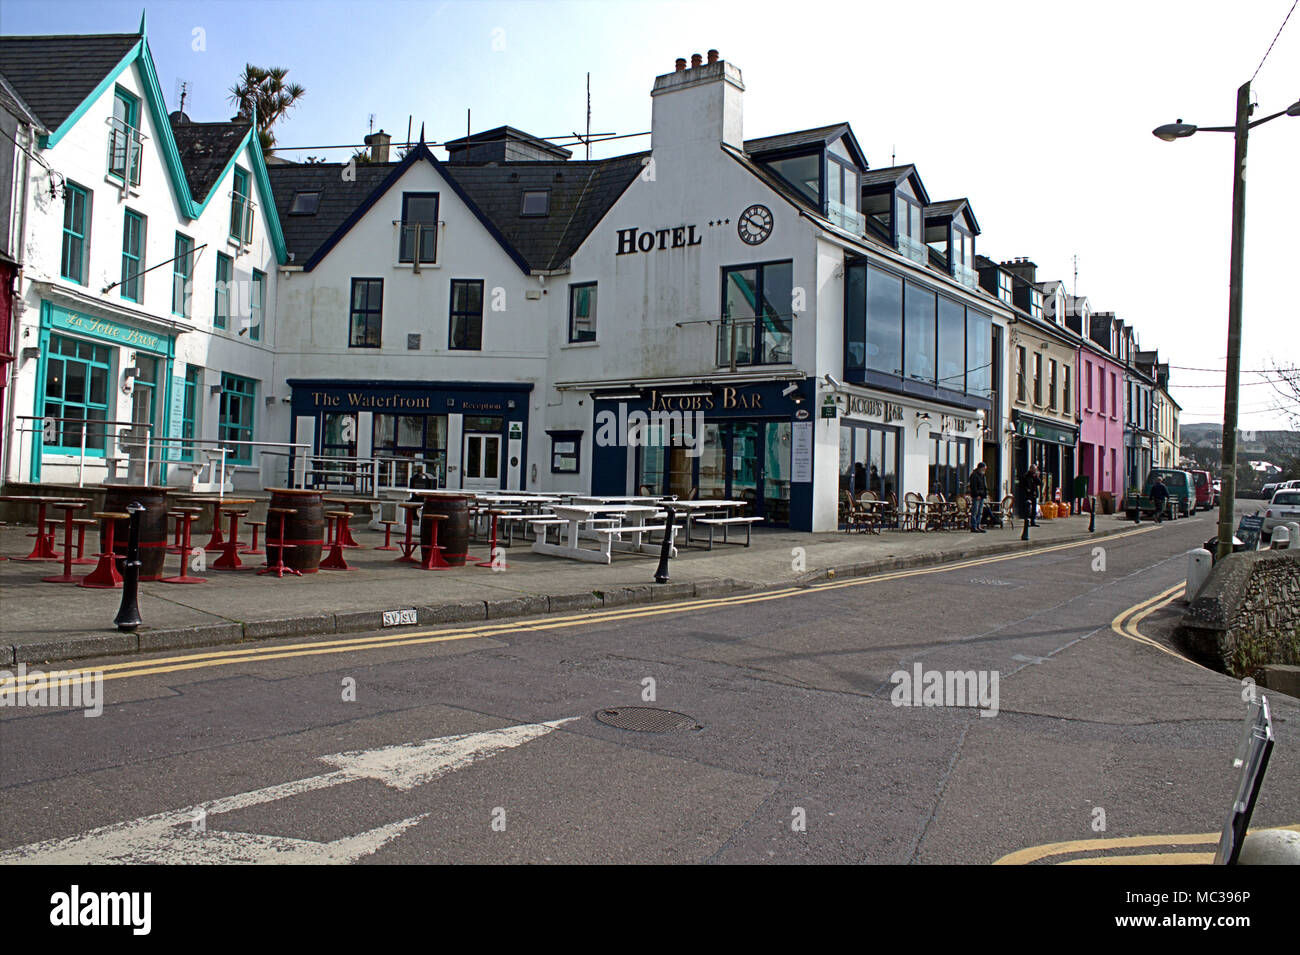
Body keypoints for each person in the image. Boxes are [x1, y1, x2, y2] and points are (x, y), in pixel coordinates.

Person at [969, 461, 989, 533]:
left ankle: (978, 525)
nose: (984, 470)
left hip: (982, 496)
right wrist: (977, 494)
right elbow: (973, 486)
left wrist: (985, 494)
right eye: (984, 468)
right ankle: (973, 526)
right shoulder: (974, 475)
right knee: (975, 511)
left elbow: (984, 485)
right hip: (976, 496)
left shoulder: (983, 475)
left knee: (980, 512)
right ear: (980, 468)